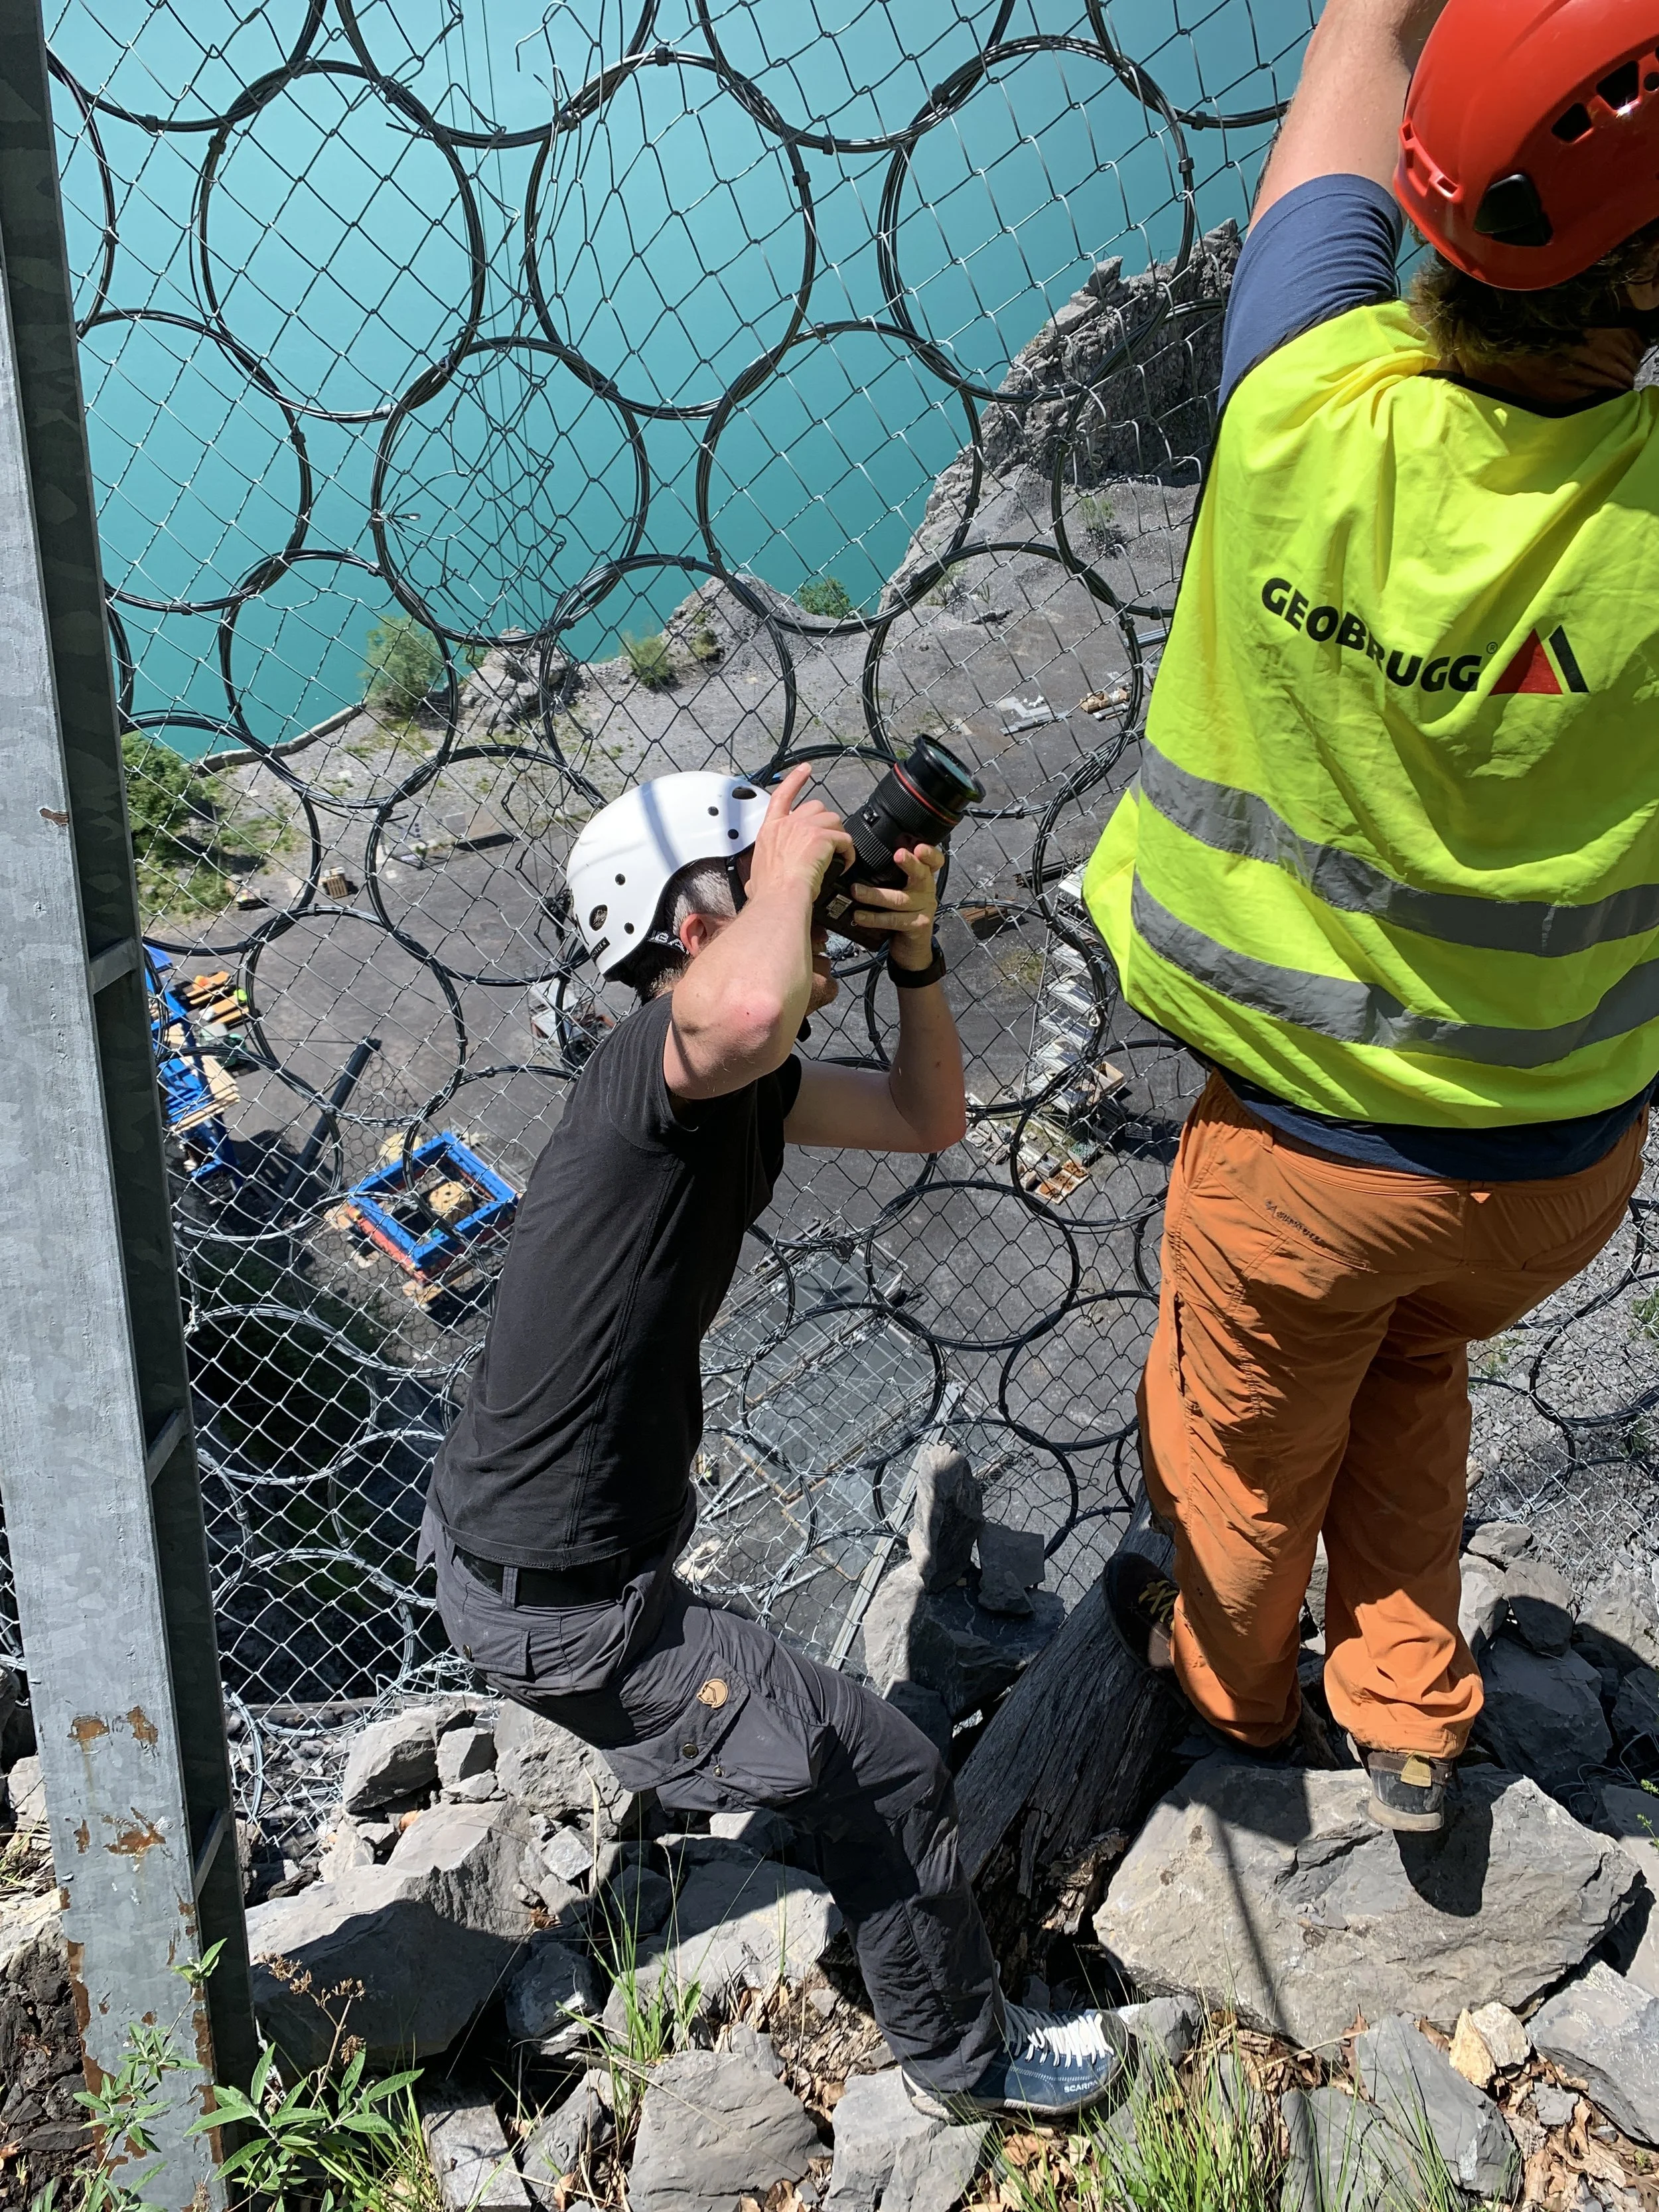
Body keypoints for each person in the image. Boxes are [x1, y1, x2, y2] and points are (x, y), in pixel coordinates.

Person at [1084, 0, 1659, 1834]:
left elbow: (1356, 44)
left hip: (1299, 1168)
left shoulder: (1291, 396)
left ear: (1433, 208)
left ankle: (1236, 1720)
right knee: (1413, 1356)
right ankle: (1405, 1704)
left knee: (1244, 1465)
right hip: (1549, 1171)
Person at [423, 763, 1129, 2117]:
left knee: (797, 1724)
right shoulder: (650, 1069)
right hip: (564, 1605)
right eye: (768, 901)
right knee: (891, 1770)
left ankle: (727, 1775)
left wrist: (915, 958)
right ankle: (966, 2065)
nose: (809, 924)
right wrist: (797, 859)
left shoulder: (733, 1084)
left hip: (553, 1556)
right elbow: (741, 1002)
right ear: (700, 934)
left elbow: (925, 1116)